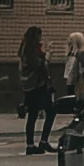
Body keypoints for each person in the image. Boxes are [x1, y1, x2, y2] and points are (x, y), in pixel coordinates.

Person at [50, 32, 84, 146]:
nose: (68, 42)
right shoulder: (72, 55)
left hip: (77, 84)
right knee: (74, 105)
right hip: (73, 83)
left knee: (77, 105)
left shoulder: (80, 54)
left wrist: (78, 82)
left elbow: (82, 71)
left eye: (70, 40)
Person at [18, 25, 50, 155]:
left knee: (34, 114)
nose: (40, 38)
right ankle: (32, 144)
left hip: (30, 86)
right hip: (36, 86)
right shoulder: (30, 51)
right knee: (35, 114)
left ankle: (33, 143)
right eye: (39, 36)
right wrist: (46, 55)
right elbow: (38, 65)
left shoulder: (25, 49)